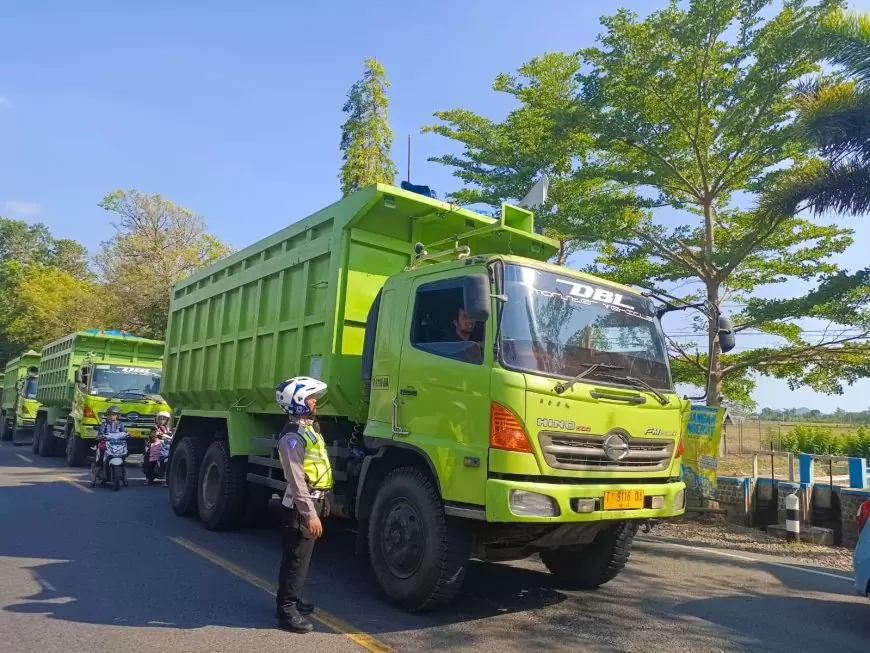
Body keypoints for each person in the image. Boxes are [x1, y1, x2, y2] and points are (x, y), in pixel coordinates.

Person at [273, 376, 332, 634]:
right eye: (310, 398)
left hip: (312, 500)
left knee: (302, 557)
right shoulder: (292, 438)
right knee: (296, 558)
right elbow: (296, 480)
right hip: (300, 506)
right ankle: (286, 610)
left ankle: (293, 599)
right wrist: (310, 514)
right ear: (297, 402)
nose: (314, 402)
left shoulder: (309, 429)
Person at [91, 405, 126, 486]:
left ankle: (124, 477)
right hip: (105, 444)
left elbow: (124, 432)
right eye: (110, 414)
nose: (112, 416)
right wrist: (100, 436)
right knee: (100, 462)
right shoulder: (104, 424)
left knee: (123, 459)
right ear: (108, 415)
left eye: (114, 414)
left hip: (118, 444)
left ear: (117, 415)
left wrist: (127, 435)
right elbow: (100, 433)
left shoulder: (121, 424)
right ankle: (93, 480)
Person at [143, 411, 172, 484]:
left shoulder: (169, 429)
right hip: (155, 447)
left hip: (166, 447)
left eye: (163, 419)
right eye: (160, 418)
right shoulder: (154, 428)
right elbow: (152, 436)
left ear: (167, 420)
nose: (161, 420)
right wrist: (157, 437)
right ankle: (149, 478)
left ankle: (167, 478)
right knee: (149, 461)